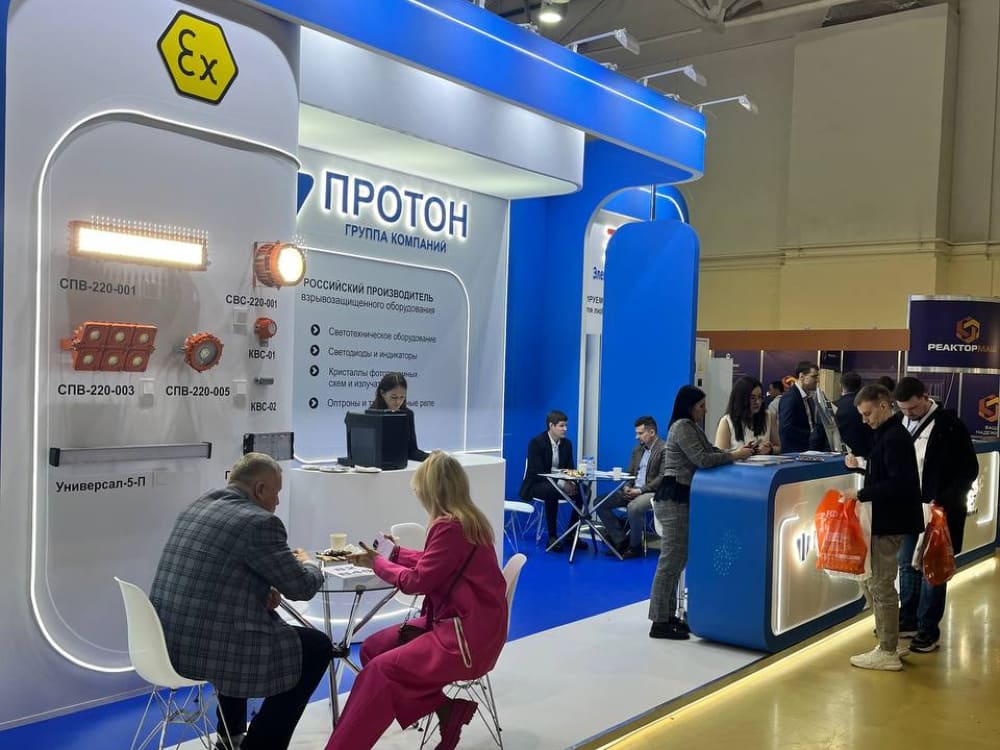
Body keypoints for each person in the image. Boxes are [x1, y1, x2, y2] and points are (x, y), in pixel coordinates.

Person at [326, 451, 507, 750]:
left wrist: (377, 564)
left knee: (380, 672)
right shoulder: (469, 521)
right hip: (473, 627)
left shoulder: (449, 526)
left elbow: (416, 582)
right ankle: (447, 710)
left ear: (430, 490)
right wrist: (394, 554)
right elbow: (435, 562)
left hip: (463, 638)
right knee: (373, 649)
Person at [150, 453, 331, 750]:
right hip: (210, 648)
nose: (277, 502)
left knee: (241, 627)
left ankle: (230, 736)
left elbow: (218, 577)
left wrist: (259, 589)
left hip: (165, 643)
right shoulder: (260, 523)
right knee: (317, 647)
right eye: (276, 493)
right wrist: (311, 563)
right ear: (260, 489)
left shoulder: (199, 505)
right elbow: (301, 587)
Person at [648, 386, 752, 640]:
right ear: (689, 406)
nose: (704, 410)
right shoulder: (683, 427)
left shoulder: (690, 427)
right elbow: (702, 459)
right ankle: (659, 621)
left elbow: (710, 451)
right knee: (670, 562)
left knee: (676, 560)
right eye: (701, 406)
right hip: (674, 499)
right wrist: (735, 455)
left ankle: (667, 616)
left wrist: (736, 453)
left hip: (681, 498)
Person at [894, 376, 979, 653]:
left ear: (925, 397)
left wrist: (943, 500)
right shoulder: (900, 423)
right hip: (909, 509)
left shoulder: (950, 425)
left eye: (913, 408)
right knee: (906, 564)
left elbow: (969, 470)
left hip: (939, 511)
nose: (909, 414)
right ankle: (908, 618)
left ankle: (928, 628)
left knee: (932, 569)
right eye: (903, 409)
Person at [842, 385, 923, 671]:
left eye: (867, 414)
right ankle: (890, 641)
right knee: (875, 582)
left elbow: (898, 483)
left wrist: (860, 494)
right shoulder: (890, 435)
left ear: (883, 406)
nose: (865, 420)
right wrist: (861, 468)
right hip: (889, 518)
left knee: (880, 584)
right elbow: (888, 473)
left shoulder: (894, 438)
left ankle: (887, 650)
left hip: (890, 520)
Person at [595, 416, 667, 559]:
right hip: (633, 490)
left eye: (640, 433)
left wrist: (640, 490)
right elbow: (630, 473)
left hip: (652, 492)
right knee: (599, 502)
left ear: (652, 432)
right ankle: (621, 540)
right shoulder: (637, 450)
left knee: (633, 507)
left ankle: (635, 547)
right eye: (637, 433)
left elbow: (662, 478)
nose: (636, 437)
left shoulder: (664, 449)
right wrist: (627, 486)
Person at [518, 409, 585, 552]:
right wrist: (562, 484)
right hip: (537, 484)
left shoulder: (567, 444)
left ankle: (571, 534)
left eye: (566, 425)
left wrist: (572, 482)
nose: (565, 429)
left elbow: (569, 468)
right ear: (551, 426)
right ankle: (552, 537)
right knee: (552, 490)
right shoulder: (536, 443)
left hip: (559, 483)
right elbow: (538, 472)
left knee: (584, 490)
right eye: (561, 425)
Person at [371, 371, 429, 462]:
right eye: (394, 397)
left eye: (402, 397)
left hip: (400, 466)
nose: (398, 402)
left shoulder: (408, 414)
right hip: (377, 467)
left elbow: (412, 451)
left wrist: (431, 457)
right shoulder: (371, 416)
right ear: (382, 393)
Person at [714, 376, 780, 454]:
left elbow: (778, 447)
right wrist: (739, 453)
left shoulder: (769, 416)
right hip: (739, 462)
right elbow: (720, 455)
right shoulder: (726, 421)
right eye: (752, 398)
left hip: (764, 461)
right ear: (741, 399)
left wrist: (770, 449)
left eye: (760, 397)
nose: (758, 402)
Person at [778, 361, 830, 453]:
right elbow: (786, 428)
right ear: (801, 376)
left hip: (806, 450)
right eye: (814, 377)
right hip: (794, 453)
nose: (817, 380)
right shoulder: (790, 397)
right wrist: (811, 436)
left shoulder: (806, 397)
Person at [835, 371, 871, 457]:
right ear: (860, 387)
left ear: (841, 387)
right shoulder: (868, 406)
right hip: (864, 455)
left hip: (838, 456)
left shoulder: (833, 407)